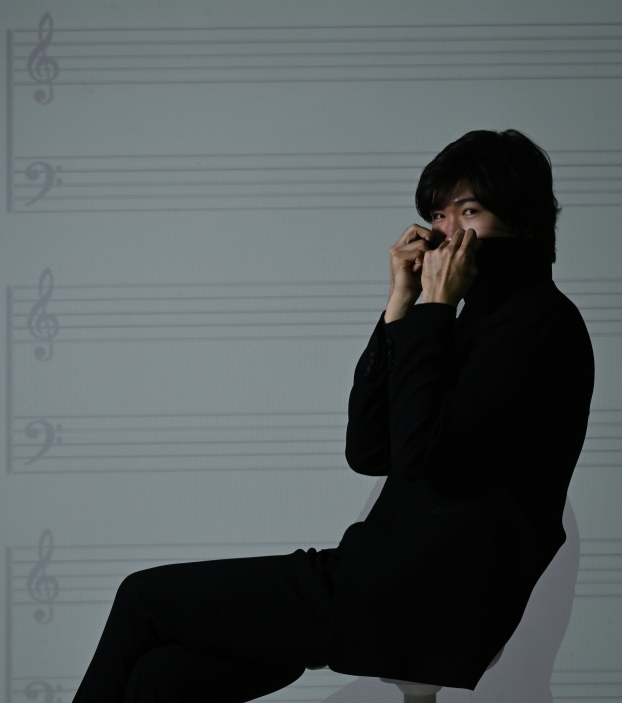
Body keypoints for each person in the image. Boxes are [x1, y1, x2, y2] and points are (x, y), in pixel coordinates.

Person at [72, 128, 594, 702]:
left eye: (468, 211)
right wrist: (401, 309)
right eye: (438, 215)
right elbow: (370, 450)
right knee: (161, 679)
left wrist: (438, 308)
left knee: (141, 597)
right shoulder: (476, 321)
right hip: (383, 578)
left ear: (521, 220)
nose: (445, 234)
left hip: (414, 593)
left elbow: (420, 453)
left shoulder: (539, 325)